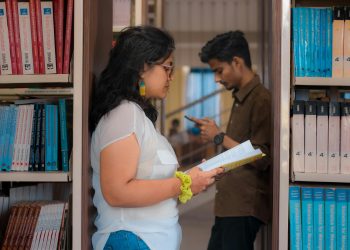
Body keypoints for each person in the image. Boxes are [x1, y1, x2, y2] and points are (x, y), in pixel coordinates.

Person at [89, 26, 222, 250]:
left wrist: (192, 181)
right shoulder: (124, 114)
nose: (170, 77)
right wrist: (184, 183)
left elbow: (150, 187)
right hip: (131, 239)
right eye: (167, 67)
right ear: (142, 67)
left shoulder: (137, 115)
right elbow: (117, 192)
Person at [190, 31, 271, 250]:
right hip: (230, 205)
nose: (216, 79)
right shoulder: (240, 98)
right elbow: (241, 152)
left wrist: (219, 137)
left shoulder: (261, 99)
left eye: (219, 70)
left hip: (243, 207)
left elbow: (262, 156)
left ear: (236, 62)